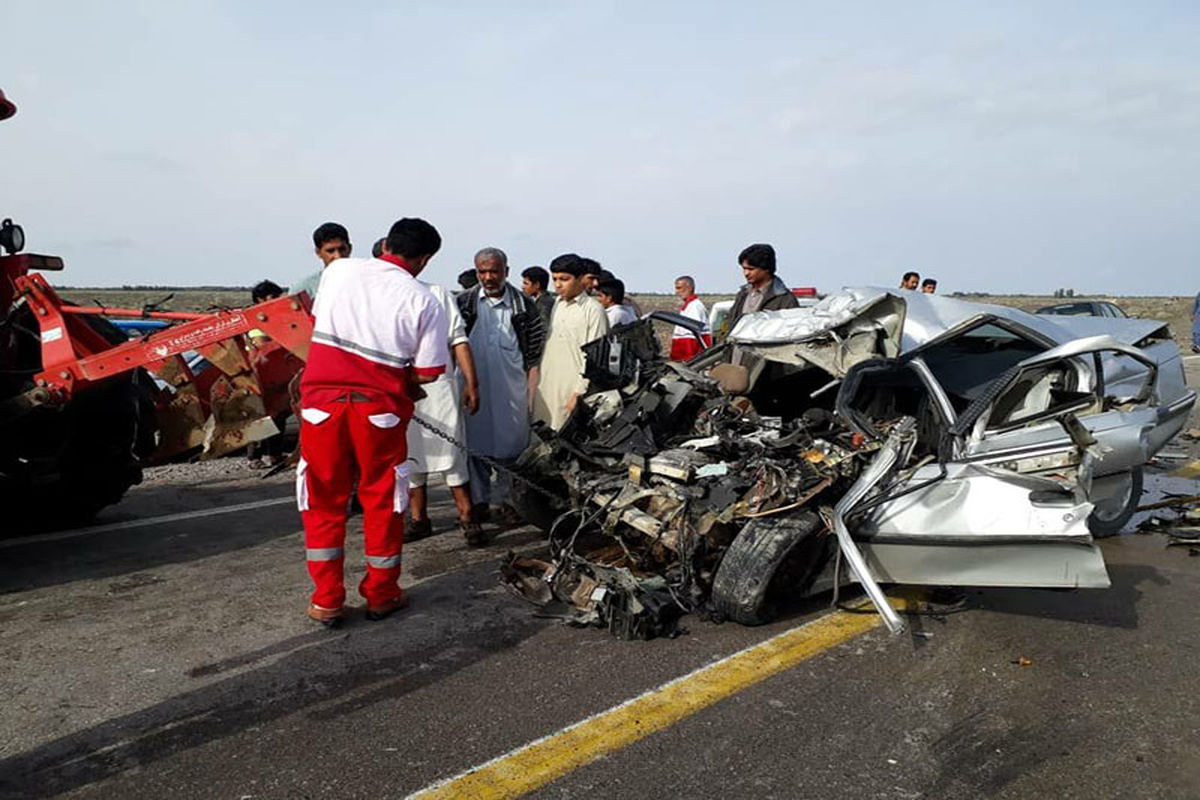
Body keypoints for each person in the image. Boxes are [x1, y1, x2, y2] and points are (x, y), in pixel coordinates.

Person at [297, 217, 448, 627]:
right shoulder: (424, 300)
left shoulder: (340, 270)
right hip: (378, 411)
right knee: (382, 498)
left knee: (323, 500)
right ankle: (382, 593)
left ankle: (326, 599)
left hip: (321, 406)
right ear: (424, 259)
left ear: (386, 243)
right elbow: (431, 370)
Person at [457, 247, 546, 524]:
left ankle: (510, 504)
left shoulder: (524, 307)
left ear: (506, 271)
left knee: (512, 448)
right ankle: (480, 503)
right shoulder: (464, 303)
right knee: (474, 447)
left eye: (494, 271)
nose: (488, 277)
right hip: (473, 388)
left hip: (512, 389)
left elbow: (533, 354)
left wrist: (532, 394)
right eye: (482, 272)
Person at [406, 277, 483, 545]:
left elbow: (458, 339)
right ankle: (419, 520)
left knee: (452, 454)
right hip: (400, 390)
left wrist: (471, 384)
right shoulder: (376, 296)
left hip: (439, 388)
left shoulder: (437, 293)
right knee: (410, 456)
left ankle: (467, 517)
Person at [533, 254, 609, 430]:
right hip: (547, 386)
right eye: (555, 279)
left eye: (564, 279)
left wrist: (579, 393)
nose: (558, 285)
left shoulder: (593, 310)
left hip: (572, 389)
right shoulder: (556, 305)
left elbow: (595, 358)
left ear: (580, 279)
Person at [247, 280, 288, 468]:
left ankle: (275, 454)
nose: (277, 301)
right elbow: (261, 343)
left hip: (275, 372)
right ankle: (254, 457)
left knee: (278, 415)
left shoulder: (273, 319)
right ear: (260, 299)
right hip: (259, 373)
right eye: (274, 297)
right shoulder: (256, 320)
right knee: (259, 417)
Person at [725, 243, 799, 335]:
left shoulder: (785, 300)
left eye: (751, 269)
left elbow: (791, 334)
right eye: (744, 268)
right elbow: (729, 325)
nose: (746, 273)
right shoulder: (742, 294)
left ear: (766, 269)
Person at [293, 222, 352, 302]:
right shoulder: (305, 289)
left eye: (342, 249)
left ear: (350, 249)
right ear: (318, 253)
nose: (338, 256)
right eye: (330, 251)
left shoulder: (366, 282)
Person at [669, 275, 712, 361]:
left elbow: (691, 338)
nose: (676, 292)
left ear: (689, 287)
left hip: (690, 361)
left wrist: (688, 361)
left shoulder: (695, 307)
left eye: (679, 288)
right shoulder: (688, 307)